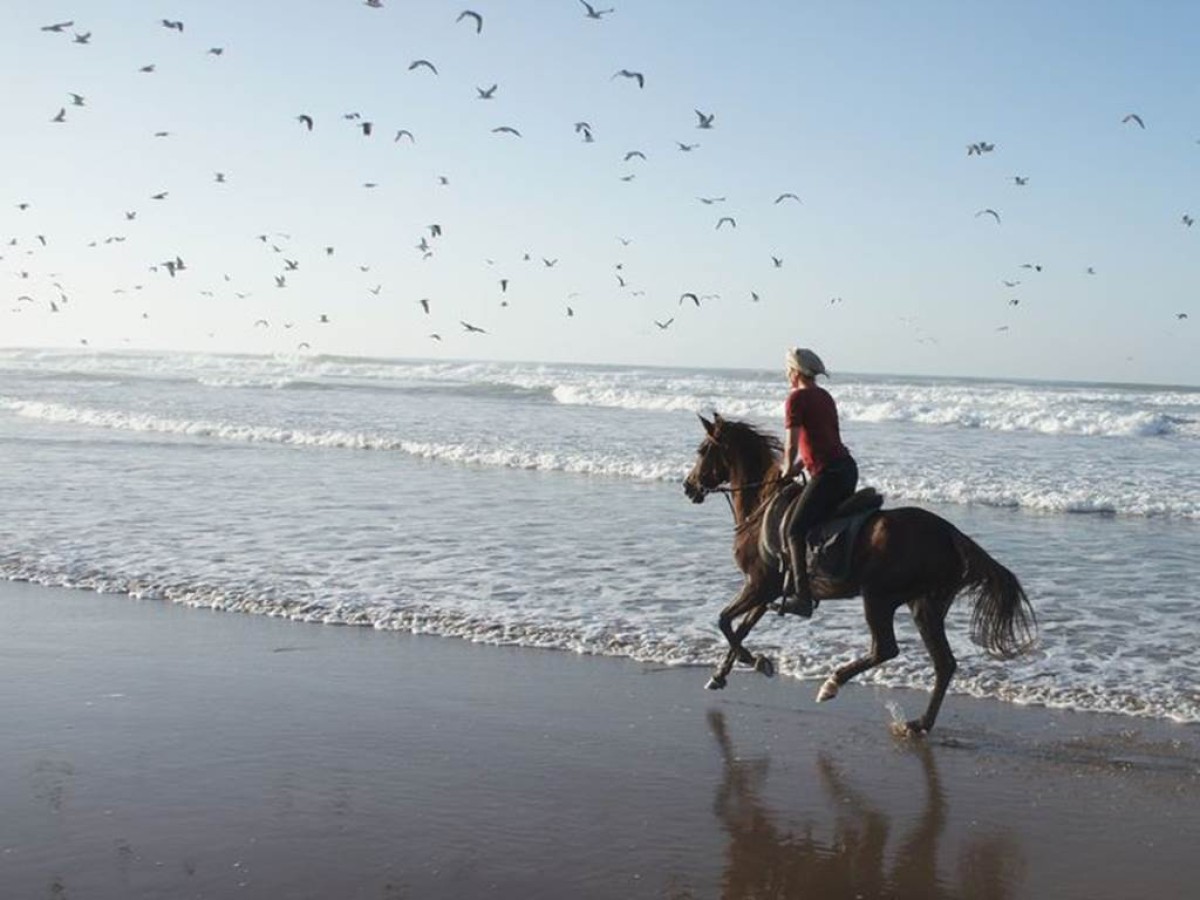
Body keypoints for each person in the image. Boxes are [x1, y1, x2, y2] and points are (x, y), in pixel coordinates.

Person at [777, 347, 858, 617]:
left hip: (829, 474)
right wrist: (801, 465)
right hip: (847, 469)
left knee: (794, 530)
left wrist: (787, 470)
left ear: (795, 372)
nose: (787, 374)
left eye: (788, 369)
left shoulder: (796, 399)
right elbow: (822, 441)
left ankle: (802, 597)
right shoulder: (824, 396)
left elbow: (790, 446)